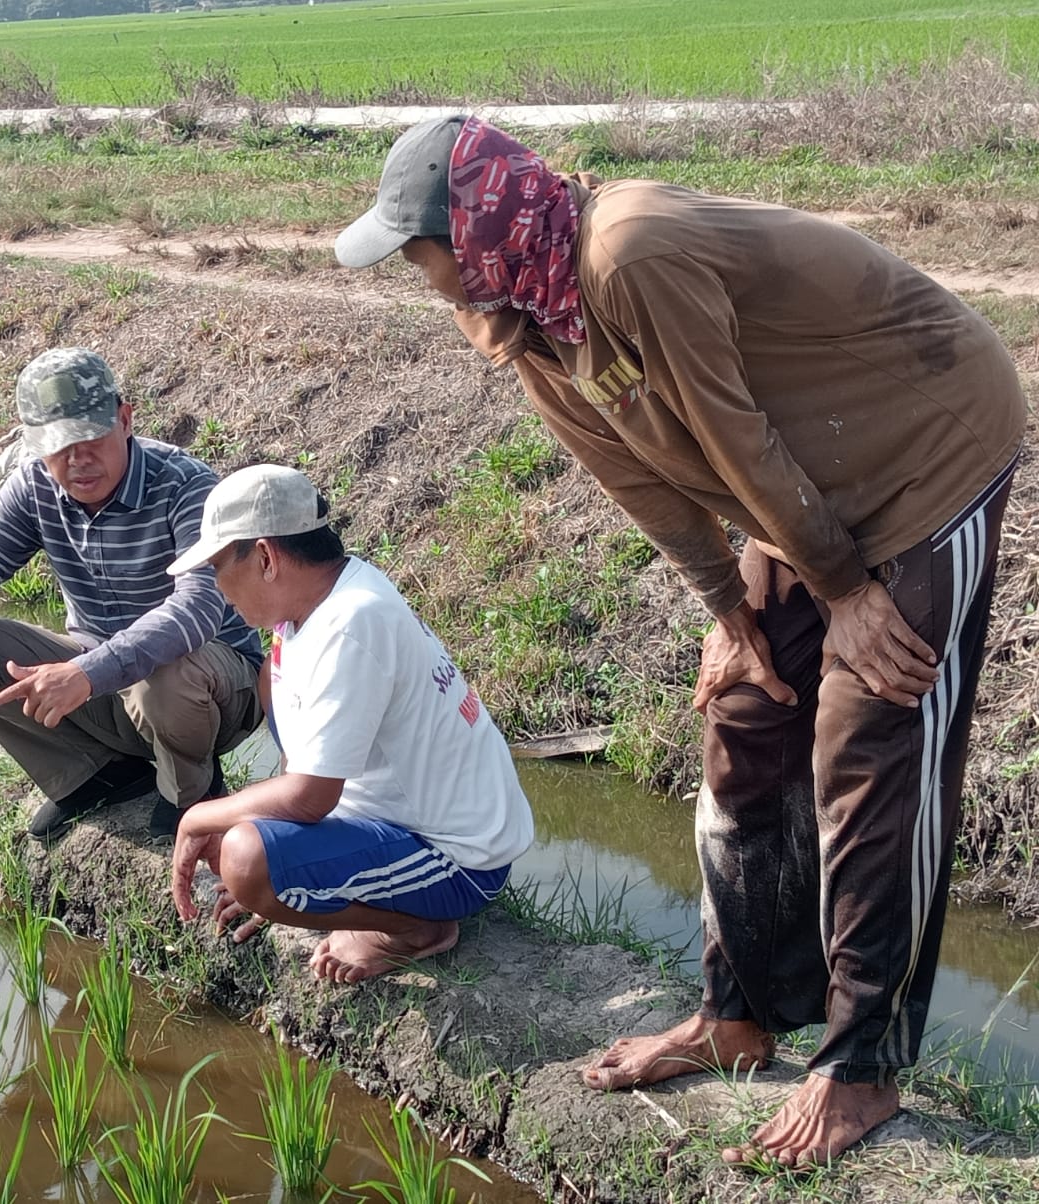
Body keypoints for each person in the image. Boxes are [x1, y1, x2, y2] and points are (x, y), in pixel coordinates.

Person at [335, 114, 1026, 1166]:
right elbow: (637, 474)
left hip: (923, 451)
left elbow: (732, 431)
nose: (419, 276)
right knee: (746, 713)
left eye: (419, 250)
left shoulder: (628, 252)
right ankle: (736, 1015)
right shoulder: (529, 319)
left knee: (871, 742)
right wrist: (730, 613)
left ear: (475, 231)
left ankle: (863, 1067)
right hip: (806, 480)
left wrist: (844, 589)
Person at [166, 464, 535, 983]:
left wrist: (199, 818)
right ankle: (322, 880)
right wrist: (295, 868)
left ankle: (417, 929)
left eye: (219, 566)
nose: (218, 586)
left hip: (458, 858)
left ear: (266, 557)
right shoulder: (321, 598)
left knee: (247, 859)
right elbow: (304, 768)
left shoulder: (352, 624)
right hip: (387, 816)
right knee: (270, 681)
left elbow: (310, 798)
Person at [0, 347, 263, 841]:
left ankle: (192, 792)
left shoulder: (185, 485)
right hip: (103, 682)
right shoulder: (33, 487)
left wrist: (87, 672)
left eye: (91, 438)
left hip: (209, 689)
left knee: (163, 673)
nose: (78, 460)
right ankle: (95, 775)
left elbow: (196, 608)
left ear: (125, 420)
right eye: (58, 445)